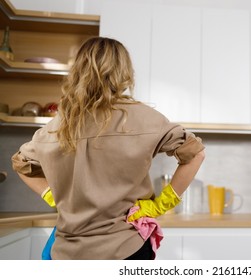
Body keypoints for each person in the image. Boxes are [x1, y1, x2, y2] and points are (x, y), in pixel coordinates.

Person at [11, 36, 205, 260]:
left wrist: (52, 195)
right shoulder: (146, 119)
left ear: (78, 70)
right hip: (126, 248)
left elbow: (20, 163)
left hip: (67, 253)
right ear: (124, 72)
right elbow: (196, 154)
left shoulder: (56, 127)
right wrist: (161, 204)